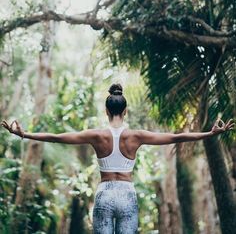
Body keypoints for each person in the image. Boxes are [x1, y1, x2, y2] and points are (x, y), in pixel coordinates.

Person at [1, 83, 235, 234]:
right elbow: (176, 137)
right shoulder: (136, 136)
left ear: (106, 111)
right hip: (127, 193)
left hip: (104, 194)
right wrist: (210, 133)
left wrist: (24, 134)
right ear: (125, 112)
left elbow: (56, 137)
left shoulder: (96, 135)